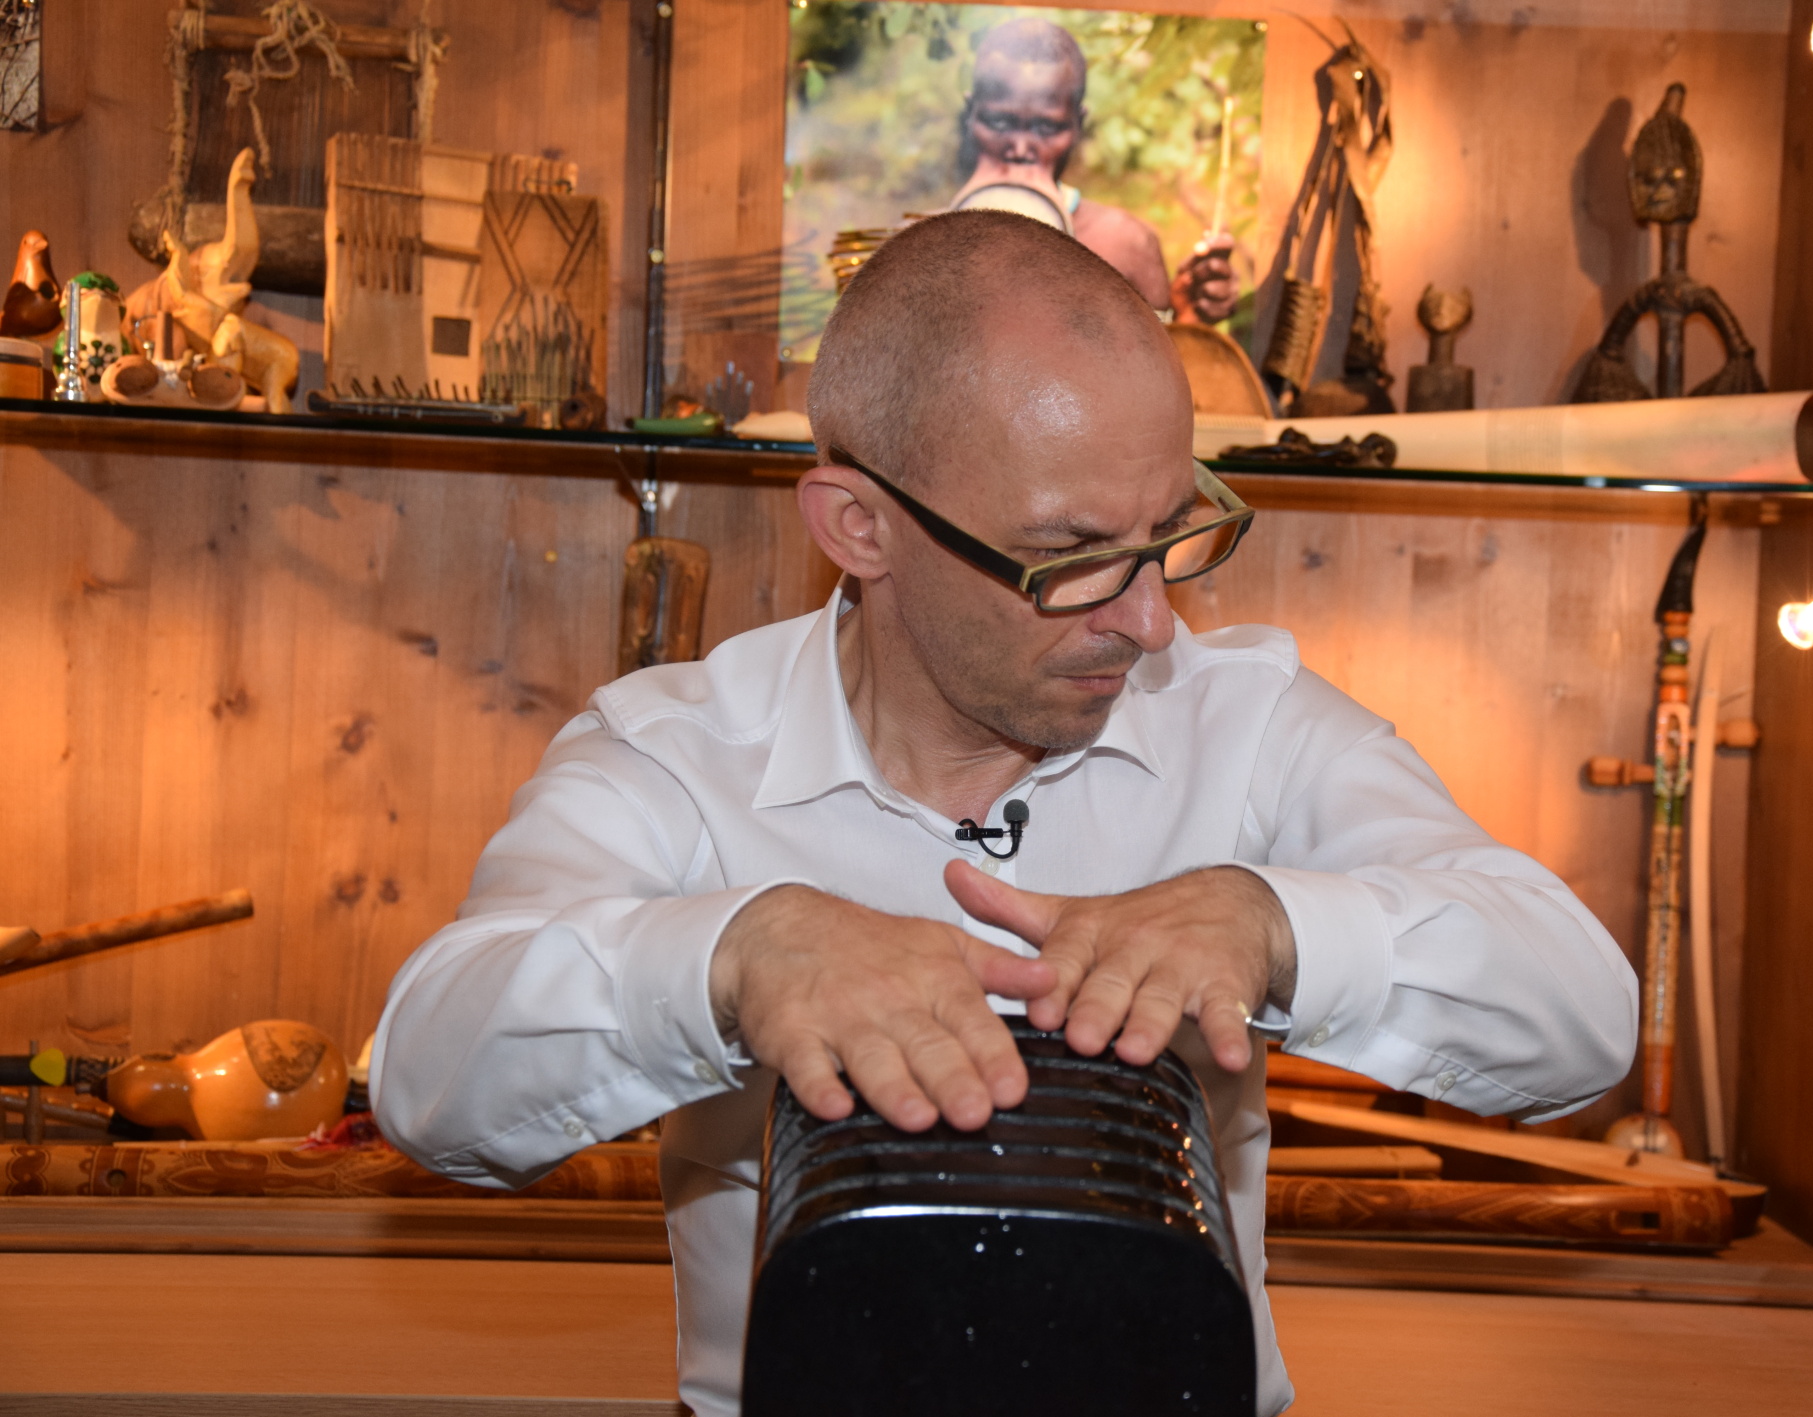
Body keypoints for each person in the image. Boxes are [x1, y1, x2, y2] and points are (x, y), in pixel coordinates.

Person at [373, 211, 1636, 1416]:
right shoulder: (672, 755)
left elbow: (1579, 1014)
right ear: (859, 526)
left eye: (1169, 534)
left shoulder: (1249, 724)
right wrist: (730, 958)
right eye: (1071, 557)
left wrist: (1273, 925)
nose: (1148, 620)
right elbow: (431, 1081)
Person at [953, 16, 1238, 325]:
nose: (1020, 149)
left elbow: (1163, 356)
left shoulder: (1126, 245)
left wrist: (1188, 318)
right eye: (999, 122)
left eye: (1046, 128)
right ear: (970, 115)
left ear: (1078, 124)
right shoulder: (922, 243)